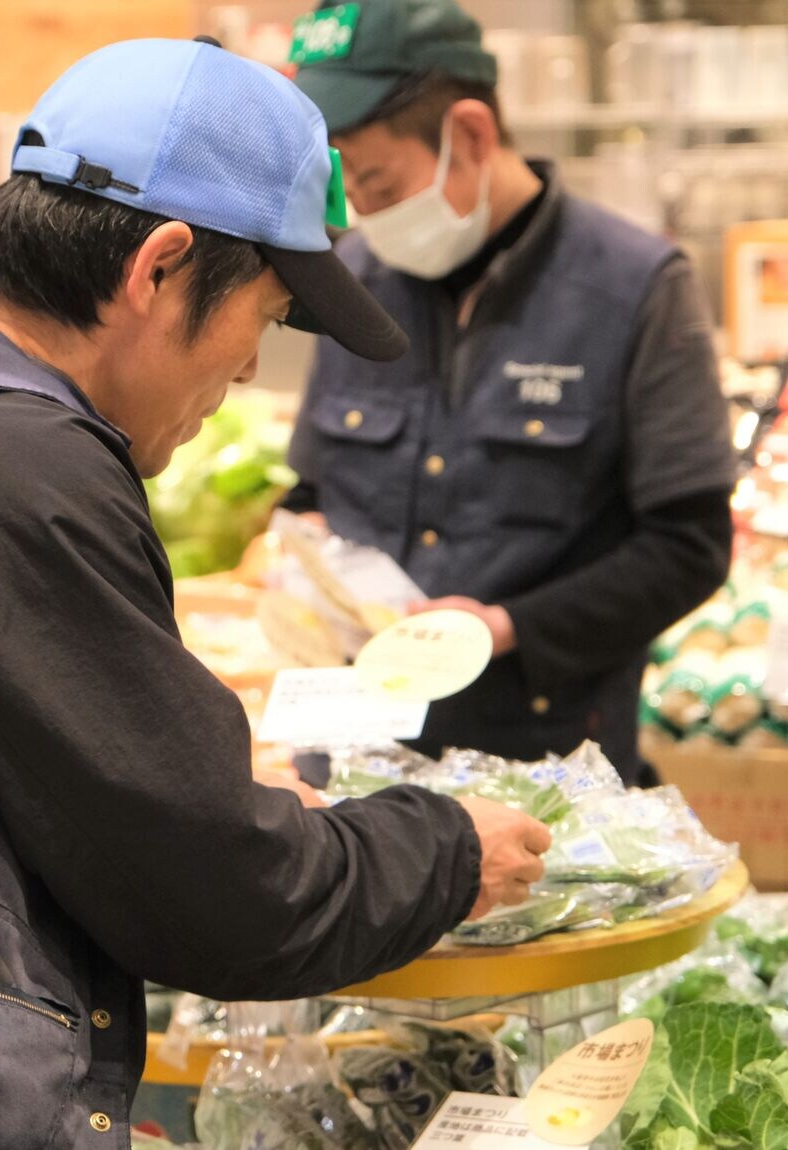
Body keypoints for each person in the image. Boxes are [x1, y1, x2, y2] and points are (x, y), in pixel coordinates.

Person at [0, 36, 550, 1150]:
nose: (248, 370)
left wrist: (204, 789)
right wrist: (446, 849)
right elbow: (216, 895)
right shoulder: (11, 459)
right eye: (265, 316)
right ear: (157, 269)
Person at [283, 0, 736, 783]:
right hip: (354, 756)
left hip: (545, 767)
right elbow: (310, 494)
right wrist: (298, 549)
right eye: (343, 189)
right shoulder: (351, 282)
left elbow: (689, 546)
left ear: (471, 134)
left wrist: (503, 628)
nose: (362, 213)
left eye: (379, 182)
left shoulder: (636, 289)